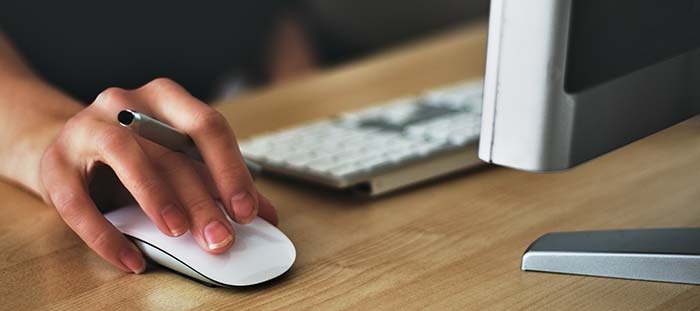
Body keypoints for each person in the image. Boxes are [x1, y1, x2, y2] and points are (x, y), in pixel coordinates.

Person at [0, 1, 488, 275]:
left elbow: (277, 18)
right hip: (73, 115)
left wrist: (305, 110)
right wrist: (51, 140)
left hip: (227, 122)